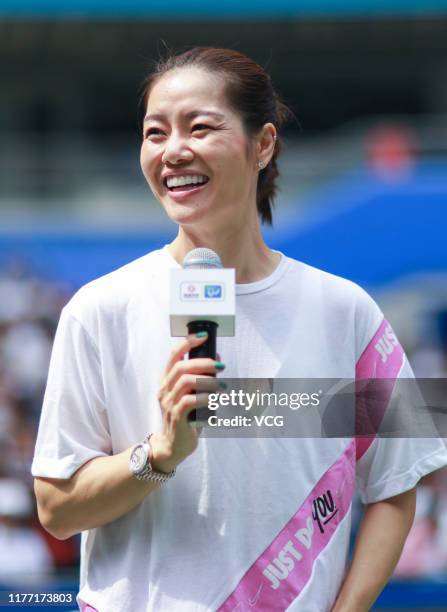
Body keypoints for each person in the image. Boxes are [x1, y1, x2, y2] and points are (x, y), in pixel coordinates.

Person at [32, 47, 447, 612]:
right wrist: (158, 455)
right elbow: (57, 510)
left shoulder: (347, 310)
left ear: (264, 144)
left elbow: (397, 486)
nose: (174, 150)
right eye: (154, 133)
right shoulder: (99, 308)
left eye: (200, 127)